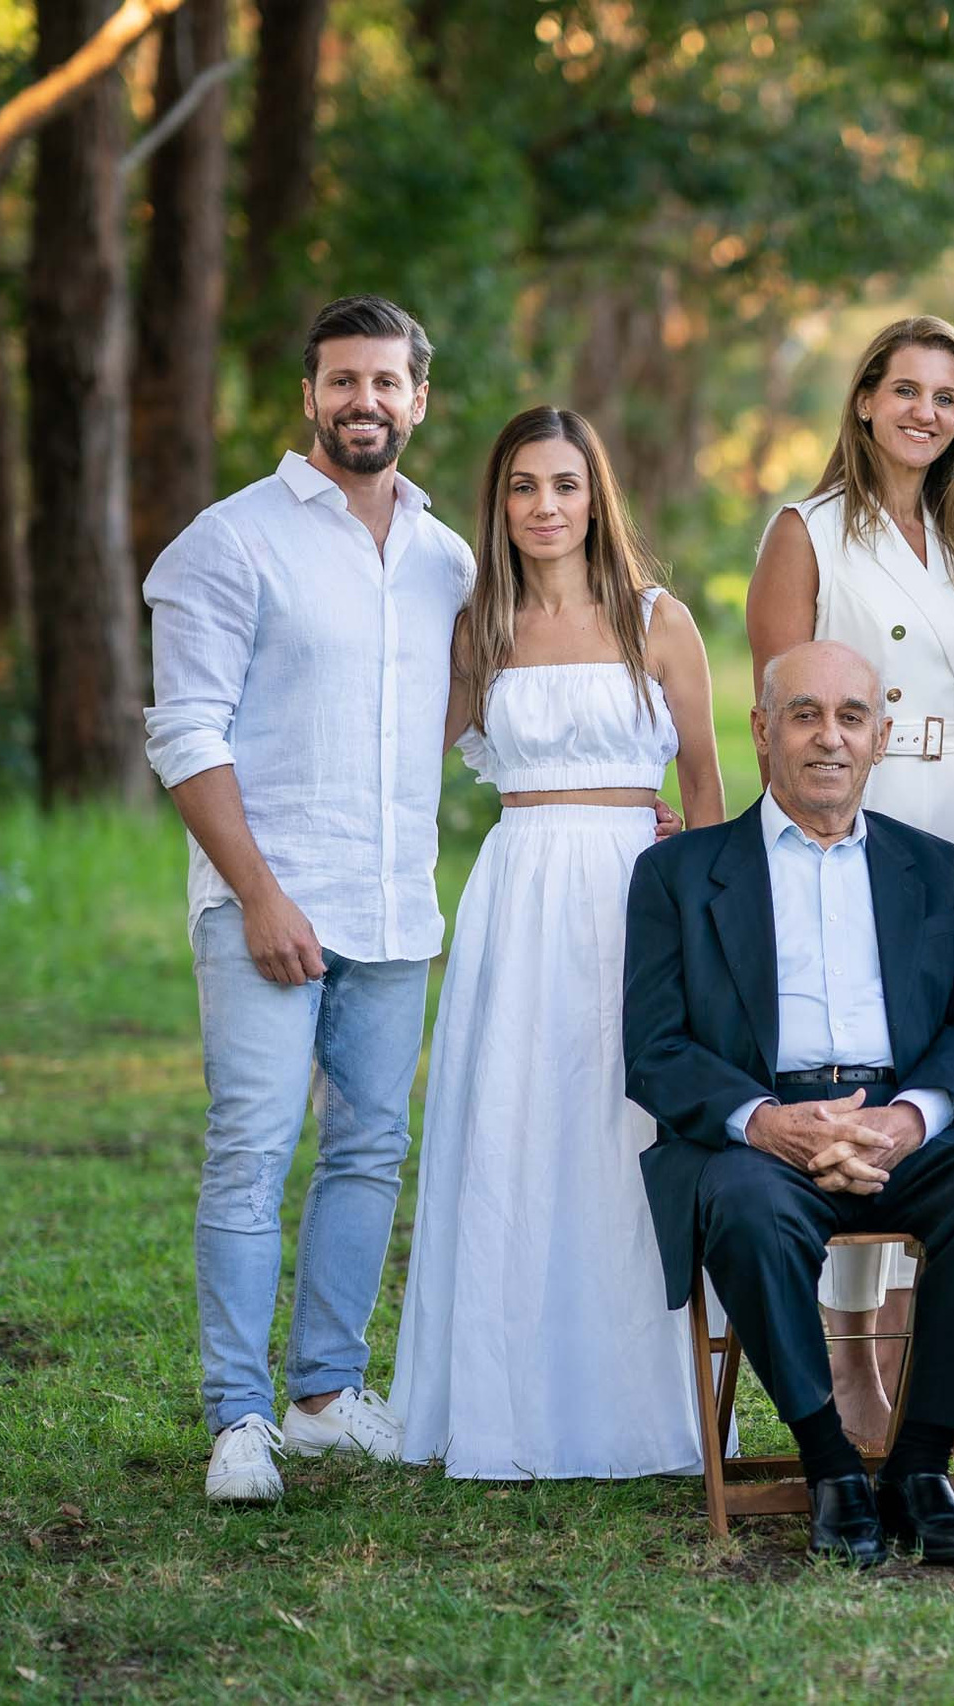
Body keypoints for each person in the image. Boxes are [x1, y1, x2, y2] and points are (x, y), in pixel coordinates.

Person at [142, 295, 471, 1503]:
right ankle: (237, 1418)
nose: (365, 402)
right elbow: (182, 734)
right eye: (343, 381)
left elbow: (455, 713)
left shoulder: (446, 557)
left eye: (387, 382)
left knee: (370, 1147)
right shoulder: (227, 543)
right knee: (250, 1151)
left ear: (418, 398)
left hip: (392, 906)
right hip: (268, 905)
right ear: (310, 397)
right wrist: (262, 896)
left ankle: (326, 1394)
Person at [623, 641, 954, 1567]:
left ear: (880, 737)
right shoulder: (679, 875)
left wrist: (906, 1122)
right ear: (762, 729)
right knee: (743, 1209)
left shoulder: (931, 868)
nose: (828, 738)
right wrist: (770, 1126)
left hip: (902, 1121)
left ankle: (921, 1465)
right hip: (758, 1128)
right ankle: (832, 1470)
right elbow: (653, 1053)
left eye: (850, 717)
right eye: (804, 714)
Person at [385, 406, 725, 1478]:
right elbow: (399, 759)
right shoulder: (477, 630)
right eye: (523, 487)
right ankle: (511, 1401)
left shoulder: (657, 620)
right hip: (522, 885)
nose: (544, 507)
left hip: (637, 881)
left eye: (565, 485)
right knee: (521, 1125)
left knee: (627, 1123)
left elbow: (708, 786)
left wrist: (707, 925)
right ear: (500, 503)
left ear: (597, 496)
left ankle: (639, 1402)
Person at [745, 315, 954, 1450]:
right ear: (862, 399)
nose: (924, 413)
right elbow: (776, 697)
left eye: (946, 397)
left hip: (944, 807)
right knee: (844, 1062)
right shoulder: (808, 530)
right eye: (904, 389)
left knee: (921, 1078)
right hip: (845, 800)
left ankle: (903, 1349)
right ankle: (851, 1362)